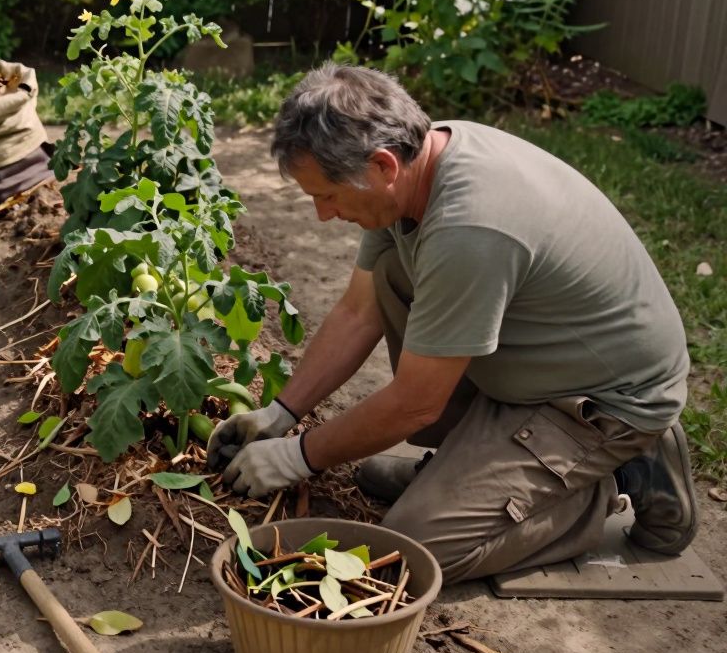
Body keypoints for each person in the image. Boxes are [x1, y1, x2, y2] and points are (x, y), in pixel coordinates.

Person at [206, 62, 697, 583]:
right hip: (541, 362)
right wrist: (282, 414)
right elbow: (359, 310)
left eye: (326, 196)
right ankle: (471, 470)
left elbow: (418, 402)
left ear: (382, 166)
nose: (323, 215)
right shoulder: (417, 166)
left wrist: (296, 457)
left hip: (608, 400)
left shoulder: (471, 225)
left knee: (415, 552)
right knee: (393, 271)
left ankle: (607, 479)